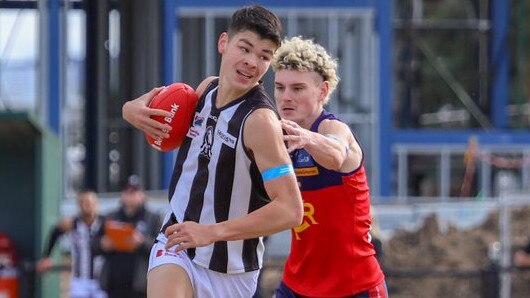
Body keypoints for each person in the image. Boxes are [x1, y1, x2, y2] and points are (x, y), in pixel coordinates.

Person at [121, 5, 303, 298]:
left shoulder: (259, 122)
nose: (252, 62)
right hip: (176, 242)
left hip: (231, 271)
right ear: (223, 43)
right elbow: (151, 103)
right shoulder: (205, 90)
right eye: (245, 49)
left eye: (264, 56)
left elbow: (291, 210)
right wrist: (129, 110)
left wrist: (211, 232)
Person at [271, 36, 387, 297]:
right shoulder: (276, 137)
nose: (286, 97)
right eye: (279, 87)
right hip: (297, 285)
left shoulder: (333, 128)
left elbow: (335, 154)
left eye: (297, 88)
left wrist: (307, 138)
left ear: (322, 91)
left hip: (353, 286)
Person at [93, 175, 161, 298]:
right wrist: (103, 244)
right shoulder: (110, 217)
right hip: (114, 285)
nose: (129, 195)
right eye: (126, 191)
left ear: (142, 194)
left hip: (140, 286)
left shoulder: (153, 218)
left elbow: (161, 249)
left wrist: (141, 242)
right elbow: (93, 246)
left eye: (133, 192)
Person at [36, 190, 107, 298]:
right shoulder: (72, 223)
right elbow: (55, 232)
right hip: (80, 279)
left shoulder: (105, 224)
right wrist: (46, 256)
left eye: (92, 203)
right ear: (79, 205)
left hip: (101, 279)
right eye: (85, 203)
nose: (89, 206)